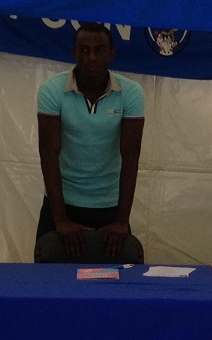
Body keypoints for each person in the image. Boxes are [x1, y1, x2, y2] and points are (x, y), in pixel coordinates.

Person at [34, 23, 145, 263]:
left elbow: (131, 155)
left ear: (111, 54)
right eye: (84, 50)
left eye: (99, 50)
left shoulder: (131, 92)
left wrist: (122, 221)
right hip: (61, 205)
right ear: (74, 52)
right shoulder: (52, 90)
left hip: (110, 207)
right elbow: (49, 152)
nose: (91, 57)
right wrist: (60, 220)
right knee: (49, 283)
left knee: (116, 284)